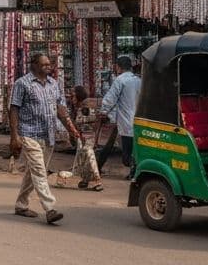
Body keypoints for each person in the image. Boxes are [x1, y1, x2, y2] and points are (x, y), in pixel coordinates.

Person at [9, 52, 81, 225]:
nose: (48, 67)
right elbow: (14, 109)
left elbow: (61, 110)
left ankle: (21, 204)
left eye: (49, 64)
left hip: (48, 135)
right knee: (40, 170)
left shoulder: (54, 85)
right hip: (28, 133)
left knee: (33, 172)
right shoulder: (22, 84)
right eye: (44, 64)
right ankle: (50, 208)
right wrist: (14, 136)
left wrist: (72, 130)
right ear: (33, 65)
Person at [98, 55, 142, 173]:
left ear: (118, 67)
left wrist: (103, 111)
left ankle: (133, 171)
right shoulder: (138, 80)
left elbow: (111, 98)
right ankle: (134, 172)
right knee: (134, 150)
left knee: (127, 154)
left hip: (126, 121)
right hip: (137, 121)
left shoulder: (120, 80)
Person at [68, 86, 103, 191]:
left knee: (88, 156)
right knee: (83, 158)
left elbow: (94, 121)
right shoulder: (78, 107)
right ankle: (85, 180)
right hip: (82, 137)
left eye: (73, 96)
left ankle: (97, 181)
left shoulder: (85, 107)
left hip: (88, 137)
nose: (71, 98)